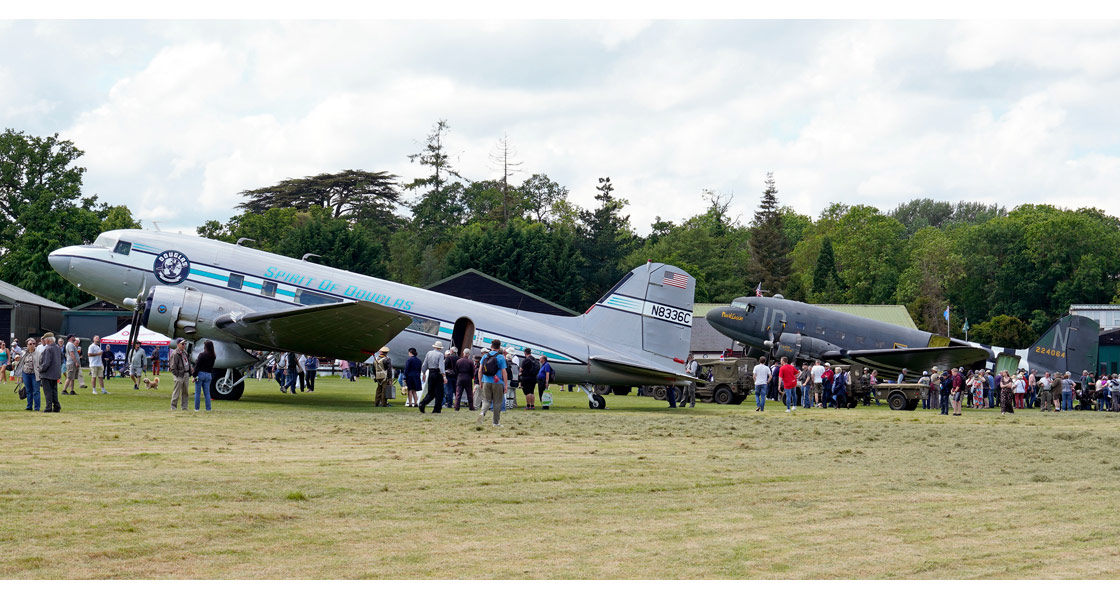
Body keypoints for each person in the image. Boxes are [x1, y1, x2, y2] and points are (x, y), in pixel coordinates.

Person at [477, 339, 508, 426]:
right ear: (499, 347)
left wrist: (480, 382)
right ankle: (495, 422)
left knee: (486, 400)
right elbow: (504, 372)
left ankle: (482, 413)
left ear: (491, 346)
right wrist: (505, 384)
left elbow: (480, 370)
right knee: (497, 402)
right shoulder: (501, 357)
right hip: (497, 382)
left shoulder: (485, 356)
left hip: (486, 381)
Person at [417, 341, 446, 413]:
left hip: (430, 373)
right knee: (439, 393)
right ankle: (437, 409)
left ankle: (423, 403)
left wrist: (423, 373)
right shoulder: (440, 355)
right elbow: (441, 366)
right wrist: (444, 376)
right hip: (437, 373)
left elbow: (424, 364)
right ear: (440, 348)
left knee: (431, 392)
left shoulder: (429, 353)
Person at [38, 332, 63, 412]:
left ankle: (48, 407)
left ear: (48, 340)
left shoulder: (48, 349)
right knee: (54, 391)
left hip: (47, 374)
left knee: (48, 391)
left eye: (44, 340)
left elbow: (46, 363)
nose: (44, 341)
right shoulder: (57, 347)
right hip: (55, 373)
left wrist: (40, 369)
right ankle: (56, 406)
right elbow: (61, 359)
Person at [16, 338, 40, 411]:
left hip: (35, 374)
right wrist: (21, 375)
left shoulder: (38, 353)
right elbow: (21, 364)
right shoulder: (24, 353)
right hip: (26, 373)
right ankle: (29, 406)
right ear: (27, 345)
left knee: (36, 391)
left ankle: (37, 407)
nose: (32, 345)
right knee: (28, 391)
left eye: (34, 344)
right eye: (30, 344)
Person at [192, 340, 216, 411]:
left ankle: (197, 408)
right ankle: (208, 408)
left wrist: (194, 375)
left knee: (198, 393)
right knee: (207, 393)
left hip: (200, 374)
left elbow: (197, 366)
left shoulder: (202, 355)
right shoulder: (213, 356)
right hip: (208, 374)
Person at [169, 338, 191, 411]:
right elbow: (173, 366)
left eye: (185, 344)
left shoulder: (185, 353)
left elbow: (187, 363)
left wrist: (189, 371)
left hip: (186, 374)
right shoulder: (175, 353)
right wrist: (177, 375)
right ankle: (173, 407)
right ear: (178, 344)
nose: (184, 345)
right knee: (176, 392)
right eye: (182, 344)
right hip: (179, 375)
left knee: (185, 392)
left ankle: (184, 407)